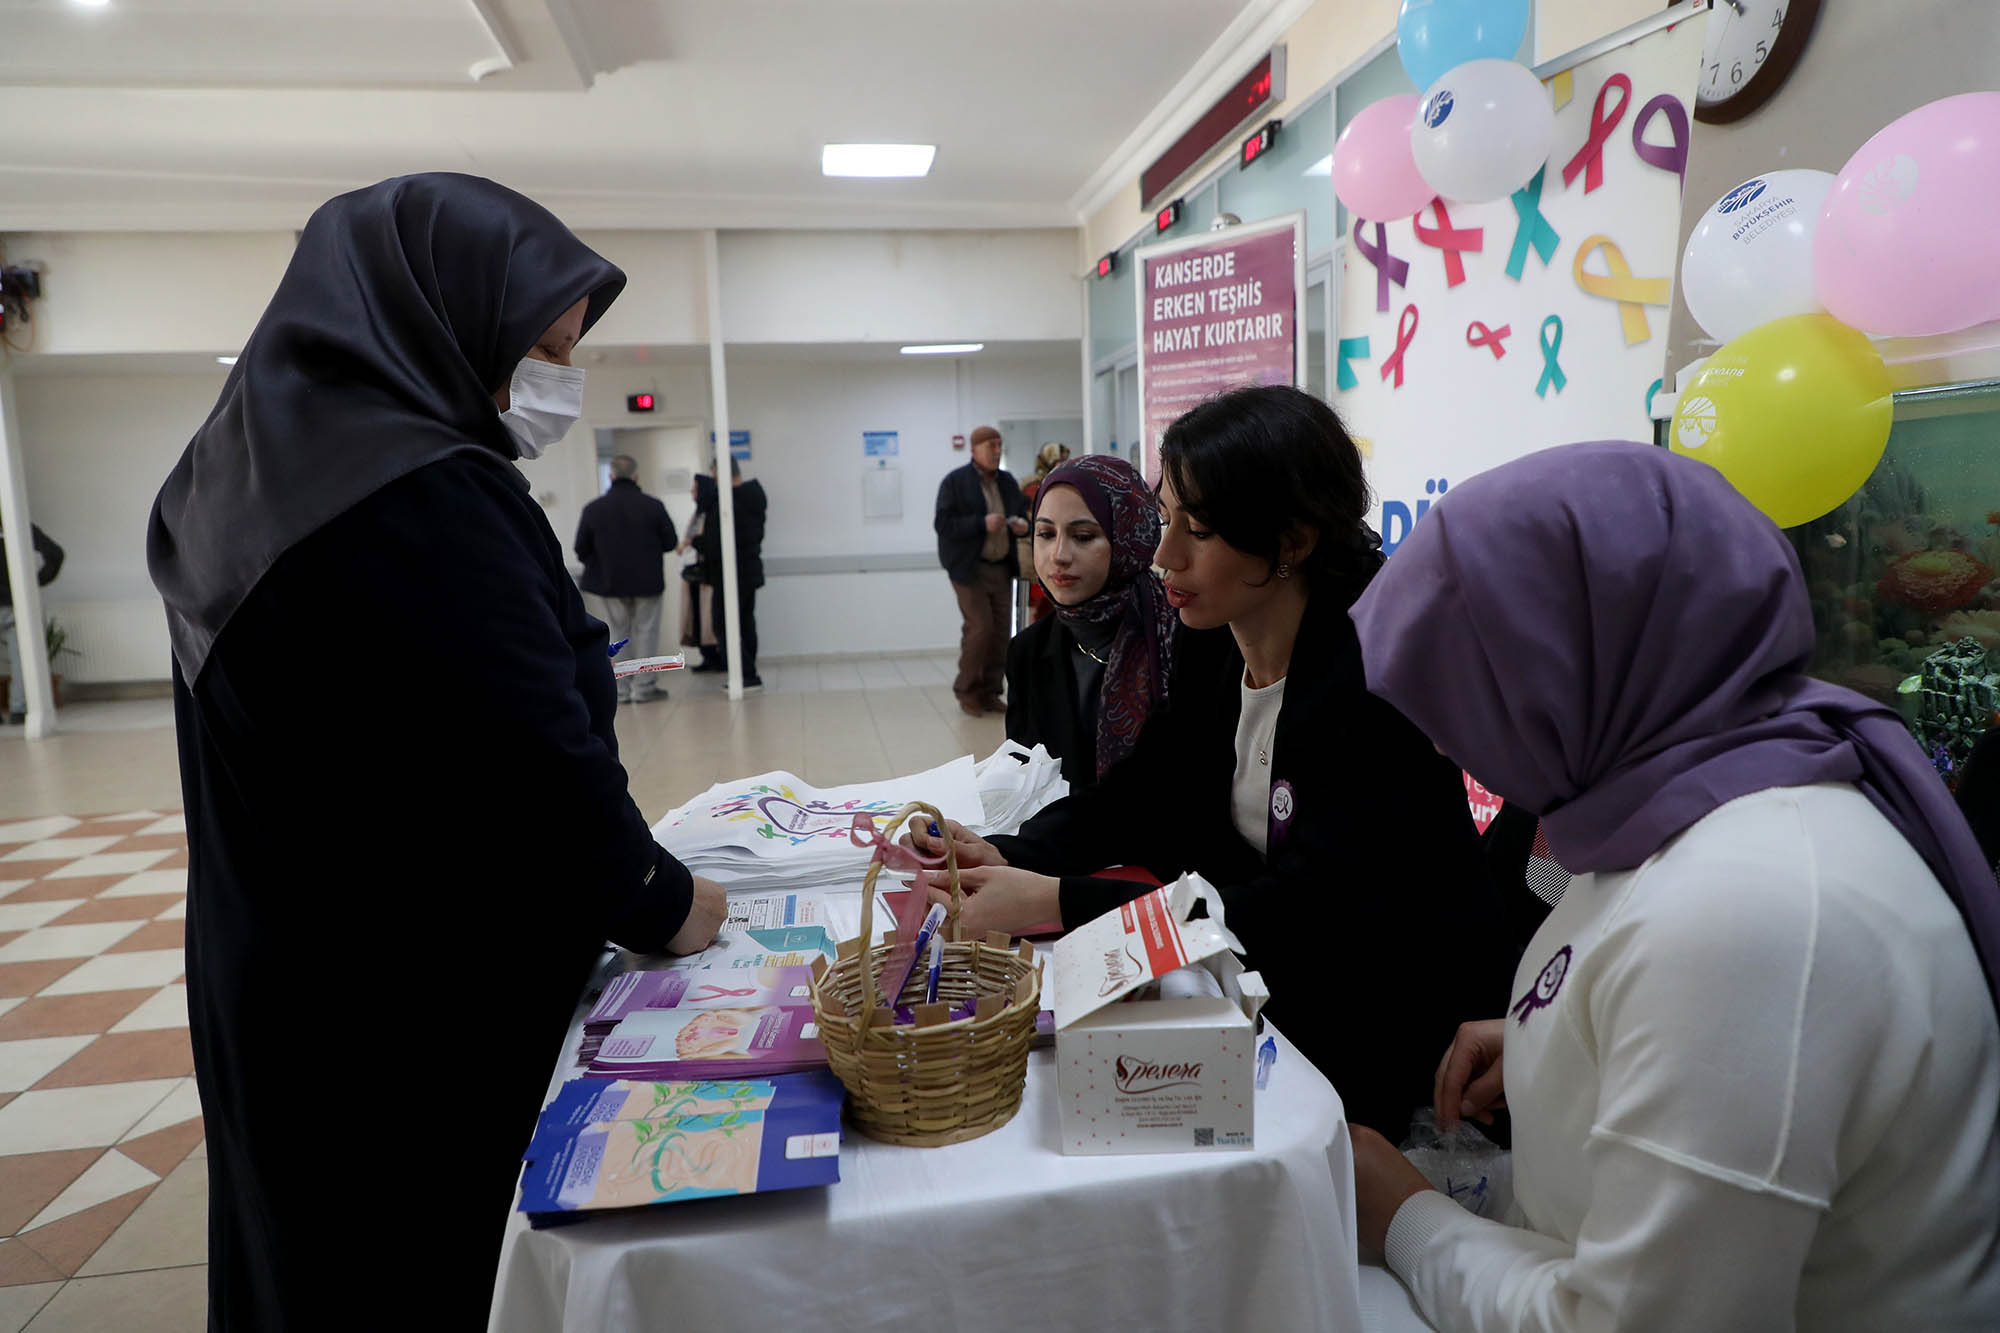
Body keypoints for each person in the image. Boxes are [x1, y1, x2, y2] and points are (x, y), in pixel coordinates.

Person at [146, 173, 728, 1330]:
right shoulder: (422, 493)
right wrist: (669, 900)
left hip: (283, 954)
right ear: (437, 317)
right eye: (543, 347)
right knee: (413, 1264)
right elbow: (529, 760)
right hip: (406, 1000)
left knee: (310, 1253)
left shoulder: (239, 467)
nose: (555, 381)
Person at [1347, 443, 2000, 1330]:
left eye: (1468, 689)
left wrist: (1407, 1220)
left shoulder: (1746, 905)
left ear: (1579, 657)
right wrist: (1570, 1041)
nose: (1441, 741)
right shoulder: (1701, 794)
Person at [908, 386, 1504, 1133]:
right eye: (1165, 519)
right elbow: (1146, 788)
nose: (1164, 556)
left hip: (1390, 1031)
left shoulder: (1372, 681)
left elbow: (1304, 913)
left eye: (1199, 529)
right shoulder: (1213, 636)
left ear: (1291, 542)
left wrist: (1056, 900)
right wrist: (1001, 851)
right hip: (1263, 985)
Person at [1004, 453, 1175, 788]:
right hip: (1056, 839)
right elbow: (1020, 781)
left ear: (1127, 538)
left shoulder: (1184, 637)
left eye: (1082, 537)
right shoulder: (1027, 652)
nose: (1058, 556)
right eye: (1045, 534)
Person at [934, 424, 1027, 716]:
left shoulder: (1008, 481)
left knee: (1001, 632)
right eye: (991, 446)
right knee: (980, 628)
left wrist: (1024, 525)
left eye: (999, 446)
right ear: (974, 450)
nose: (996, 452)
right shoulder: (955, 482)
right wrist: (981, 523)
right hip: (967, 568)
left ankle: (990, 691)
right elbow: (943, 524)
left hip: (1001, 567)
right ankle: (967, 691)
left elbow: (1022, 513)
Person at [574, 454, 677, 704]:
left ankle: (620, 690)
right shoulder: (653, 506)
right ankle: (645, 688)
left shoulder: (594, 509)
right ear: (636, 476)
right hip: (648, 583)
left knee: (617, 634)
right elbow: (670, 542)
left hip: (610, 585)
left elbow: (581, 548)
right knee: (646, 633)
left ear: (611, 476)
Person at [691, 458, 767, 690]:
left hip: (729, 574)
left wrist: (697, 542)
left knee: (724, 624)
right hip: (749, 570)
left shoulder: (726, 504)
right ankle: (748, 672)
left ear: (720, 474)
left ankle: (744, 675)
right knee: (745, 623)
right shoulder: (753, 496)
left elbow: (716, 543)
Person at [0, 520, 63, 723]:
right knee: (22, 659)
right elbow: (54, 554)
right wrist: (36, 580)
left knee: (22, 658)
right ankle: (20, 710)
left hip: (14, 602)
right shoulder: (14, 521)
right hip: (15, 600)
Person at [1021, 441, 1071, 625]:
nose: (1063, 465)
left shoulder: (1058, 483)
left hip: (1052, 548)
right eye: (1059, 461)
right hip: (1034, 554)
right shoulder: (1034, 488)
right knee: (1037, 611)